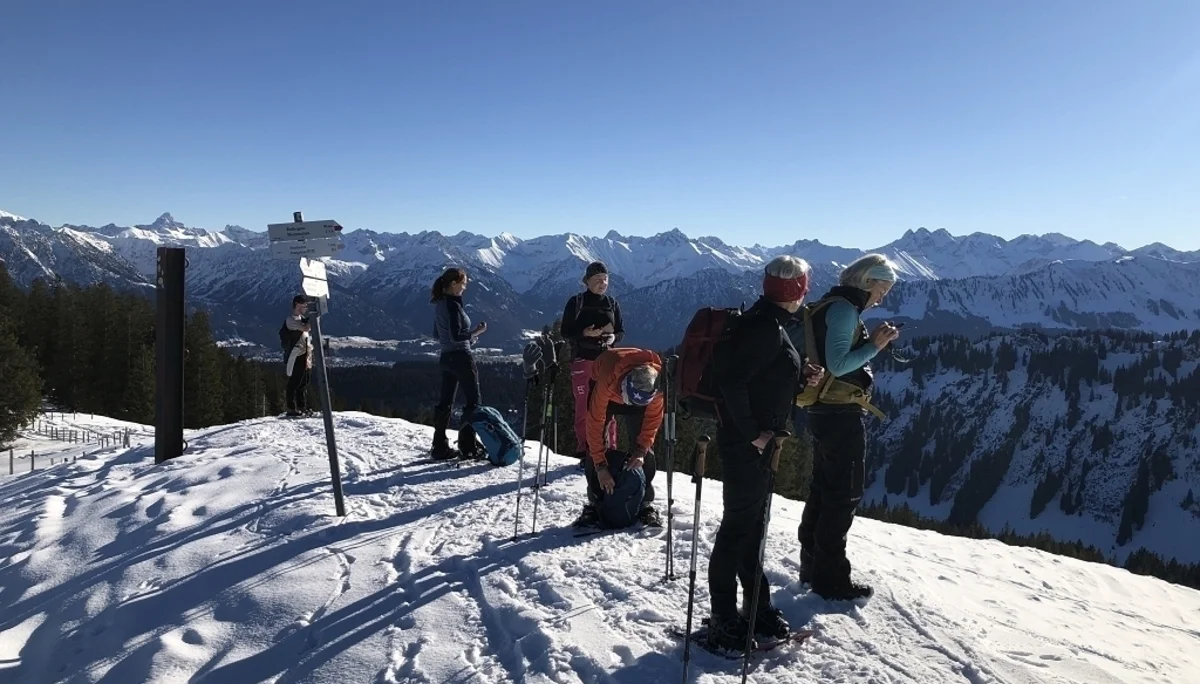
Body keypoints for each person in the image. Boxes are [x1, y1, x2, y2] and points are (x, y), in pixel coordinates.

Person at [705, 255, 824, 651]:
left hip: (759, 442)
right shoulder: (764, 328)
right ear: (796, 290)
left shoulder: (771, 323)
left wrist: (799, 375)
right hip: (748, 445)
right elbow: (733, 383)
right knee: (739, 528)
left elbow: (760, 378)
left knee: (751, 527)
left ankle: (756, 607)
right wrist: (754, 433)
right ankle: (724, 617)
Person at [795, 253, 900, 602]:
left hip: (826, 411)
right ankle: (831, 578)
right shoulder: (843, 310)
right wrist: (875, 345)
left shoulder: (832, 305)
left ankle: (811, 565)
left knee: (825, 487)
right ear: (867, 282)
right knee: (843, 494)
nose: (883, 296)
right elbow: (838, 365)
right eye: (883, 288)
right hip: (839, 413)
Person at [571, 347, 664, 528]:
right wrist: (600, 466)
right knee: (596, 445)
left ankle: (645, 503)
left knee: (644, 447)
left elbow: (652, 422)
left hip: (636, 394)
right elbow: (594, 425)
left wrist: (640, 451)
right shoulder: (607, 379)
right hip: (605, 385)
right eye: (629, 400)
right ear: (624, 384)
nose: (629, 406)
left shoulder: (657, 388)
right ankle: (595, 502)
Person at [560, 261, 624, 461]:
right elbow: (565, 331)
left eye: (605, 279)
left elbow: (620, 330)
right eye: (597, 280)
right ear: (587, 281)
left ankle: (609, 449)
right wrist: (584, 332)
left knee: (609, 407)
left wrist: (613, 338)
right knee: (584, 408)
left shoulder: (612, 303)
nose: (602, 283)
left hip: (607, 361)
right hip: (583, 360)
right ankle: (585, 449)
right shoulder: (576, 302)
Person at [430, 267, 487, 460]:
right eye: (463, 283)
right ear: (453, 284)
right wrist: (475, 333)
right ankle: (468, 446)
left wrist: (467, 338)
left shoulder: (440, 304)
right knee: (473, 401)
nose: (465, 287)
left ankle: (439, 446)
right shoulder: (453, 305)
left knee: (445, 403)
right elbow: (456, 336)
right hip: (461, 358)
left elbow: (438, 334)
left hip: (446, 358)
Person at [283, 295, 314, 417]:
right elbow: (306, 328)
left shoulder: (300, 318)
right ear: (297, 305)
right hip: (297, 355)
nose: (305, 308)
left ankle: (302, 406)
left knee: (304, 382)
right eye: (304, 306)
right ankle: (291, 408)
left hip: (306, 354)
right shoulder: (291, 320)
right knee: (294, 382)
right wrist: (313, 318)